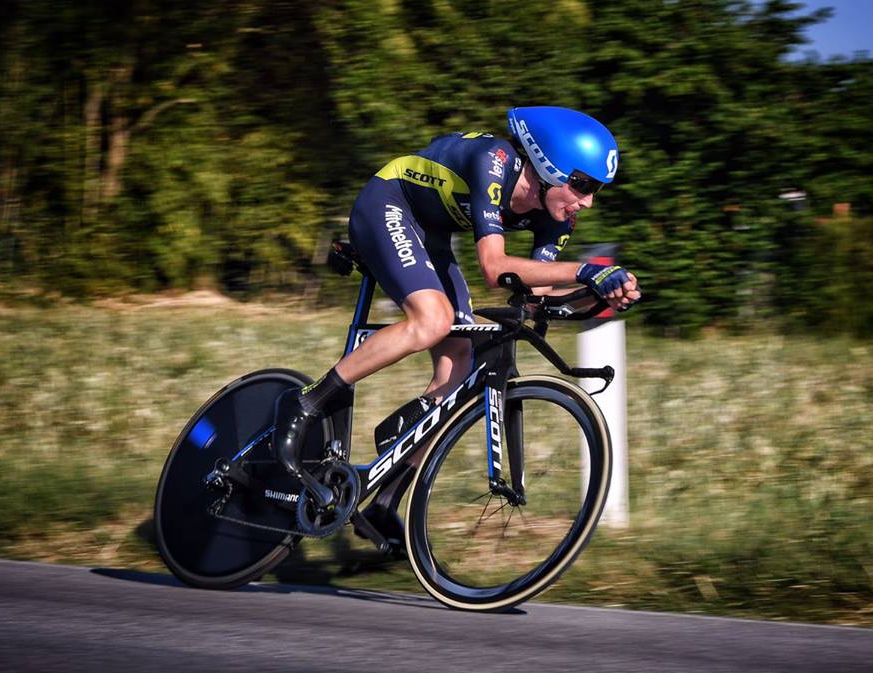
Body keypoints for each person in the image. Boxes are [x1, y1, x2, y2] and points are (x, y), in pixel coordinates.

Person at [274, 106, 640, 548]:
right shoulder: (495, 161)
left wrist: (597, 295)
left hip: (429, 232)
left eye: (596, 190)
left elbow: (534, 293)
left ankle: (384, 500)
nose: (587, 201)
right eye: (581, 185)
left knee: (459, 365)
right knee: (434, 320)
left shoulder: (557, 216)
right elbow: (494, 267)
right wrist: (585, 271)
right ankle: (307, 402)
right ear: (545, 165)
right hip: (388, 202)